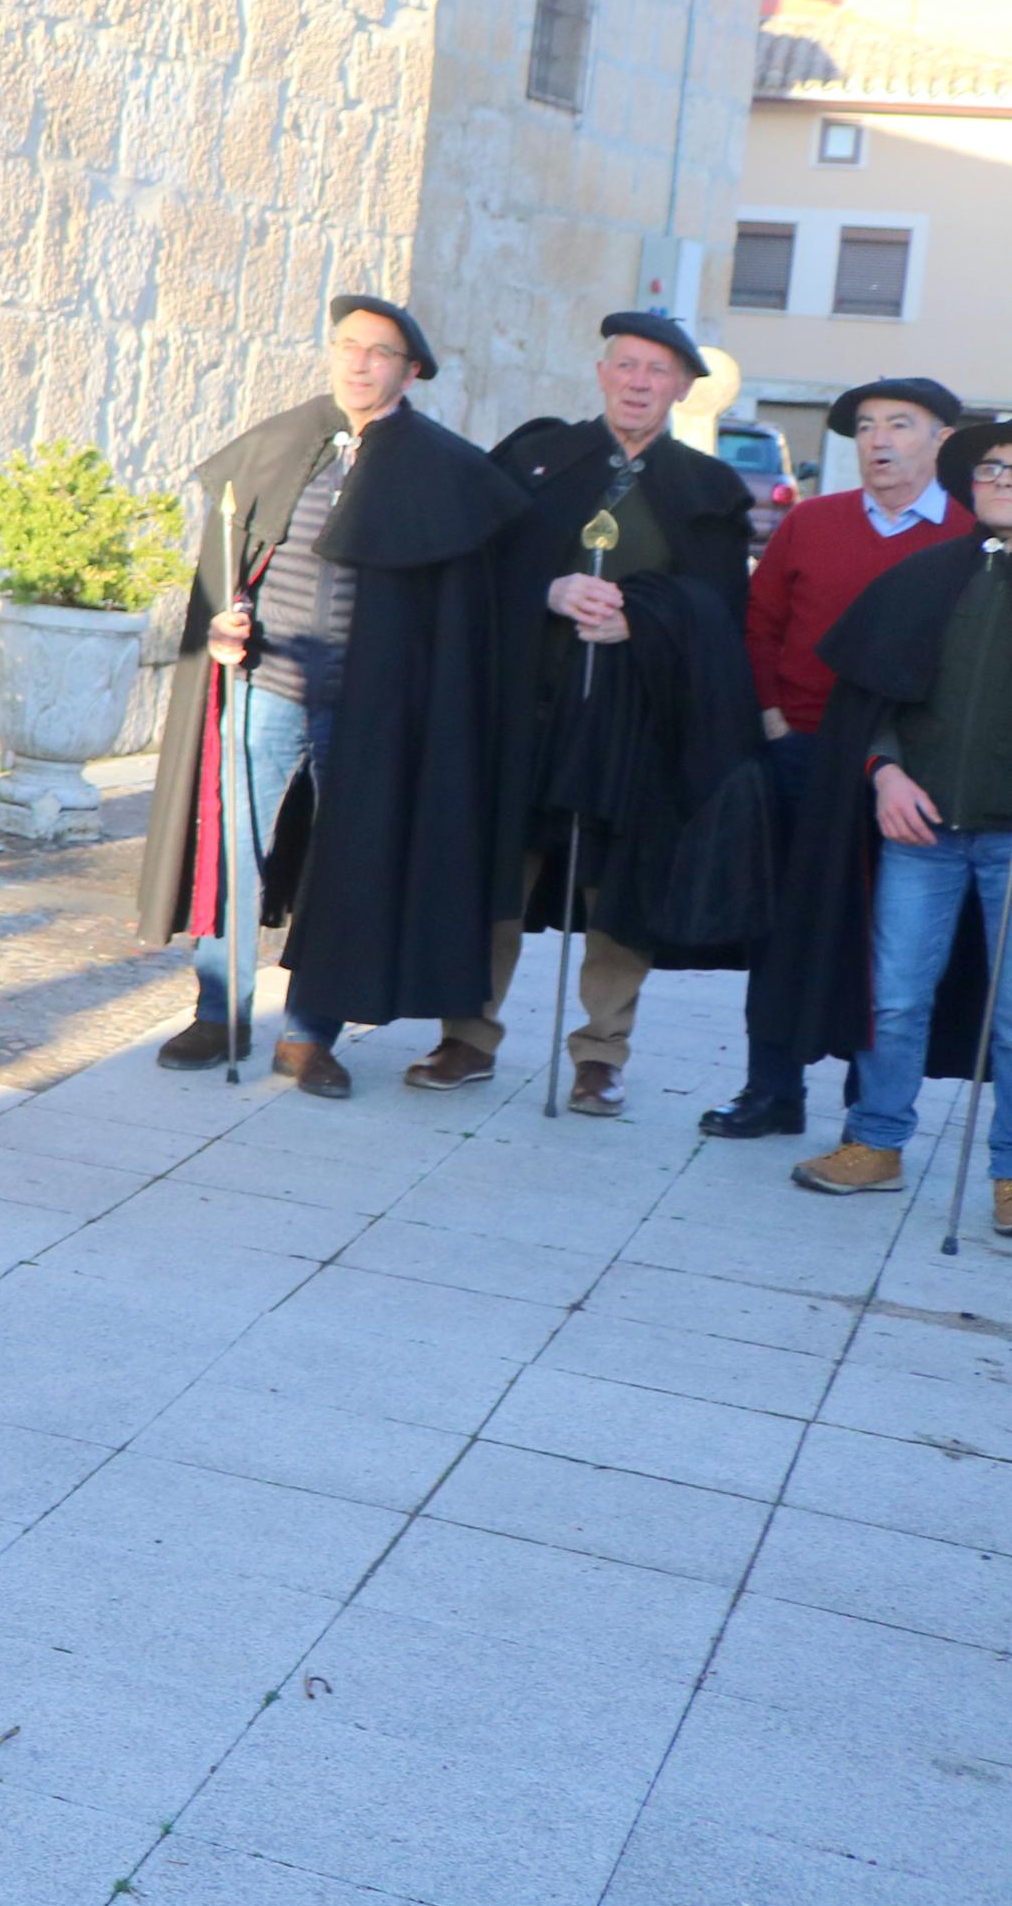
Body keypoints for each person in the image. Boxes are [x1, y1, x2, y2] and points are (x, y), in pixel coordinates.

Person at [134, 296, 529, 1099]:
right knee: (236, 848)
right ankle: (219, 1011)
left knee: (343, 865)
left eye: (377, 352)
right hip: (267, 683)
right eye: (347, 346)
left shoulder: (442, 468)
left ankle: (309, 1035)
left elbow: (459, 609)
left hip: (372, 707)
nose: (356, 362)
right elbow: (227, 559)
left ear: (408, 369)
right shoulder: (282, 443)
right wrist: (221, 623)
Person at [433, 314, 765, 1114]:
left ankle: (601, 1051)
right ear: (600, 371)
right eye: (626, 365)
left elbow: (718, 610)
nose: (638, 382)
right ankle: (466, 1034)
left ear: (681, 388)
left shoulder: (710, 489)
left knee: (619, 886)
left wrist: (639, 619)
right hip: (529, 705)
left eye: (657, 371)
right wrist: (546, 590)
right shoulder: (535, 458)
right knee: (499, 870)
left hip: (636, 718)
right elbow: (479, 563)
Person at [760, 416, 1012, 1226]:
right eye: (991, 468)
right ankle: (874, 1141)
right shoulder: (928, 574)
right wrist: (885, 772)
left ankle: (1010, 1176)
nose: (998, 480)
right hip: (922, 832)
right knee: (896, 996)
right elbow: (868, 699)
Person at [715, 376, 967, 1137]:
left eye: (899, 424)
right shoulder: (811, 522)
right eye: (864, 427)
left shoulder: (967, 534)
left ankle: (869, 1111)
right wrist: (770, 720)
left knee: (890, 943)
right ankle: (770, 1090)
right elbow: (760, 624)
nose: (878, 441)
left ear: (940, 440)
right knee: (784, 927)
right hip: (804, 753)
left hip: (912, 771)